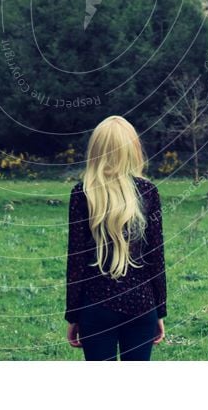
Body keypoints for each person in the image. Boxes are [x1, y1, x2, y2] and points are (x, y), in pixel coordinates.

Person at [64, 115, 167, 360]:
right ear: (133, 149)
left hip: (96, 307)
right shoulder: (148, 191)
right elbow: (156, 258)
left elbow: (76, 261)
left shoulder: (82, 193)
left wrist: (74, 315)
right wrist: (159, 310)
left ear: (96, 150)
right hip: (142, 305)